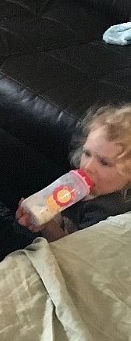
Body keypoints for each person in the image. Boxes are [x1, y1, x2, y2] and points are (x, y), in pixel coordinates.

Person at [16, 103, 131, 241]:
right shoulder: (82, 184)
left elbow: (70, 249)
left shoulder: (107, 213)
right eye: (87, 153)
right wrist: (39, 208)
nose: (87, 166)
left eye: (104, 162)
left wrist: (47, 225)